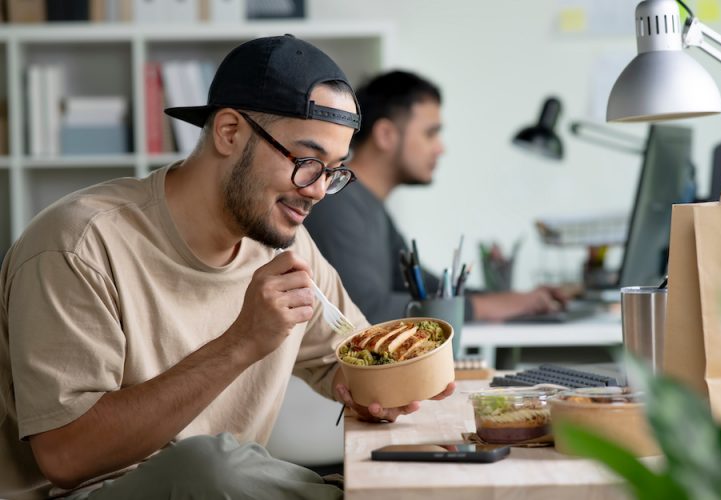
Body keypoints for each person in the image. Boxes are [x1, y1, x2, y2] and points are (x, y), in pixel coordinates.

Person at [0, 37, 454, 500]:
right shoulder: (78, 244)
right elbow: (65, 456)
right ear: (230, 132)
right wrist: (242, 342)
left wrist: (385, 386)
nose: (318, 190)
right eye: (307, 161)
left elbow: (346, 358)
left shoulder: (284, 242)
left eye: (334, 171)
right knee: (208, 465)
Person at [305, 70, 569, 325]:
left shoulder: (370, 207)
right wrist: (486, 307)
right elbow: (366, 310)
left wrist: (512, 299)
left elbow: (429, 289)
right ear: (386, 134)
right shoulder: (337, 202)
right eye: (430, 133)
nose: (440, 148)